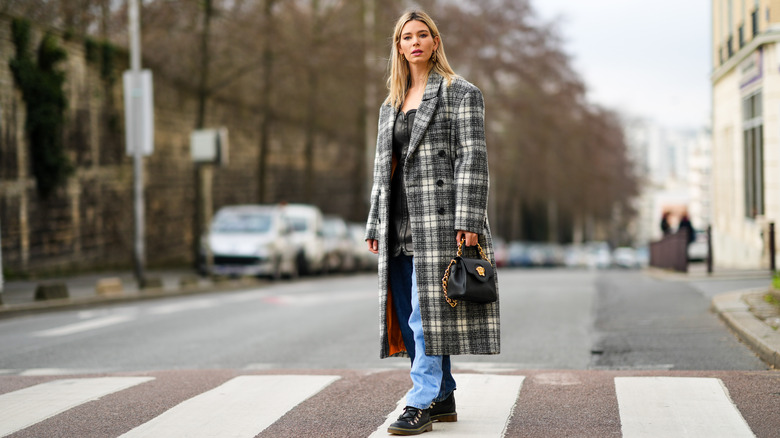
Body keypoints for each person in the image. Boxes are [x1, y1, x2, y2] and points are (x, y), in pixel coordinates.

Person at [365, 10, 500, 436]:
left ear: (435, 42)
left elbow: (472, 158)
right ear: (399, 46)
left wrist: (469, 218)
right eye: (407, 37)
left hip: (439, 222)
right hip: (398, 224)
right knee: (410, 317)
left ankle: (419, 402)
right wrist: (374, 222)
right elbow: (382, 169)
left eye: (423, 35)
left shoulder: (461, 93)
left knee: (426, 318)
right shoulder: (391, 103)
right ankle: (443, 396)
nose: (415, 42)